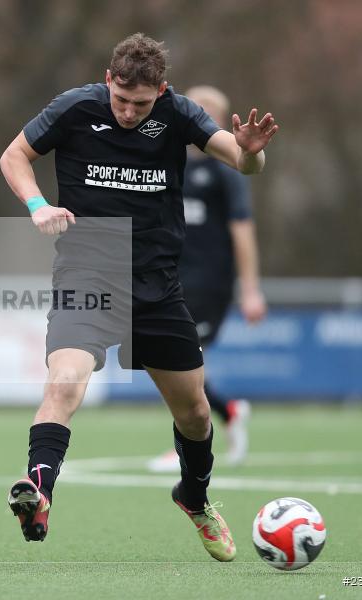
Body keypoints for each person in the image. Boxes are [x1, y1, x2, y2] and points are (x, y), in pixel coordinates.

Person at [0, 33, 278, 561]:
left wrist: (251, 154)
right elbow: (14, 155)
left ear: (161, 91)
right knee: (63, 382)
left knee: (195, 414)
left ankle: (193, 497)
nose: (128, 112)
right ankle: (39, 490)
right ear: (109, 79)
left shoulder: (180, 113)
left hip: (156, 287)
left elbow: (240, 162)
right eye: (121, 99)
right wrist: (37, 204)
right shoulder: (75, 107)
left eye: (141, 104)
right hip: (86, 277)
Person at [147, 85, 267, 473]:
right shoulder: (170, 162)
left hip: (209, 280)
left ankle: (191, 441)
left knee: (180, 358)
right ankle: (230, 410)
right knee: (159, 354)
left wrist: (250, 289)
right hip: (170, 277)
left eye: (204, 111)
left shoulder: (225, 171)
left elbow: (243, 230)